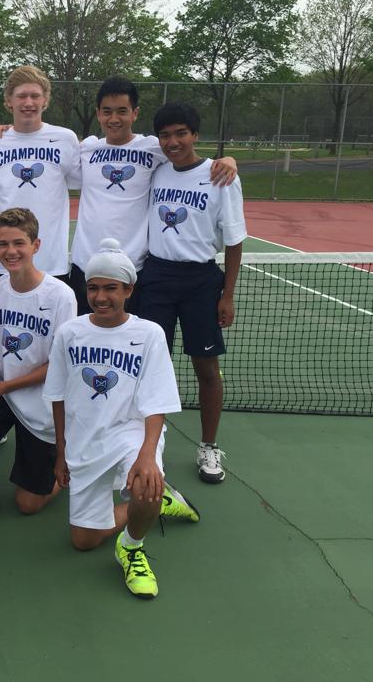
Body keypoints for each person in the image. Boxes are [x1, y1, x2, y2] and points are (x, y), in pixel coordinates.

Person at [44, 238, 197, 599]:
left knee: (146, 481)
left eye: (110, 288)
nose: (100, 297)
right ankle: (161, 503)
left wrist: (147, 454)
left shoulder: (148, 334)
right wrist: (60, 453)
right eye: (94, 288)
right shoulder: (70, 333)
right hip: (85, 441)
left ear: (129, 289)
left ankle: (131, 546)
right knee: (83, 541)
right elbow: (59, 397)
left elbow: (157, 402)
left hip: (132, 432)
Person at [137, 102, 247, 484]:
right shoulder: (155, 171)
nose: (173, 142)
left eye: (181, 133)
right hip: (156, 278)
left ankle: (209, 447)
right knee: (151, 368)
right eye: (165, 135)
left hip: (201, 281)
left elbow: (234, 242)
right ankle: (147, 446)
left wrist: (227, 295)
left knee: (206, 369)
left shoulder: (221, 177)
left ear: (195, 135)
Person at [68, 77, 239, 315]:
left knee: (129, 345)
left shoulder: (153, 147)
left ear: (135, 113)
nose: (114, 119)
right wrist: (7, 130)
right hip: (84, 266)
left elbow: (187, 152)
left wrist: (228, 160)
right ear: (98, 114)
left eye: (122, 111)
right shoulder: (87, 148)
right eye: (107, 111)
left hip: (132, 268)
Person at [0, 207, 77, 515]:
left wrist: (6, 385)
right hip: (3, 393)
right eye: (3, 244)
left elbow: (59, 367)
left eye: (19, 243)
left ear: (36, 245)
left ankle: (72, 468)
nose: (11, 251)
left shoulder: (61, 296)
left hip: (43, 405)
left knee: (27, 504)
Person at [0, 66, 79, 284]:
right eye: (21, 96)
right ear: (9, 101)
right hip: (2, 263)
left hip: (51, 264)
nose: (28, 103)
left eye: (35, 96)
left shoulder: (65, 139)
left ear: (45, 100)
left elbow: (89, 182)